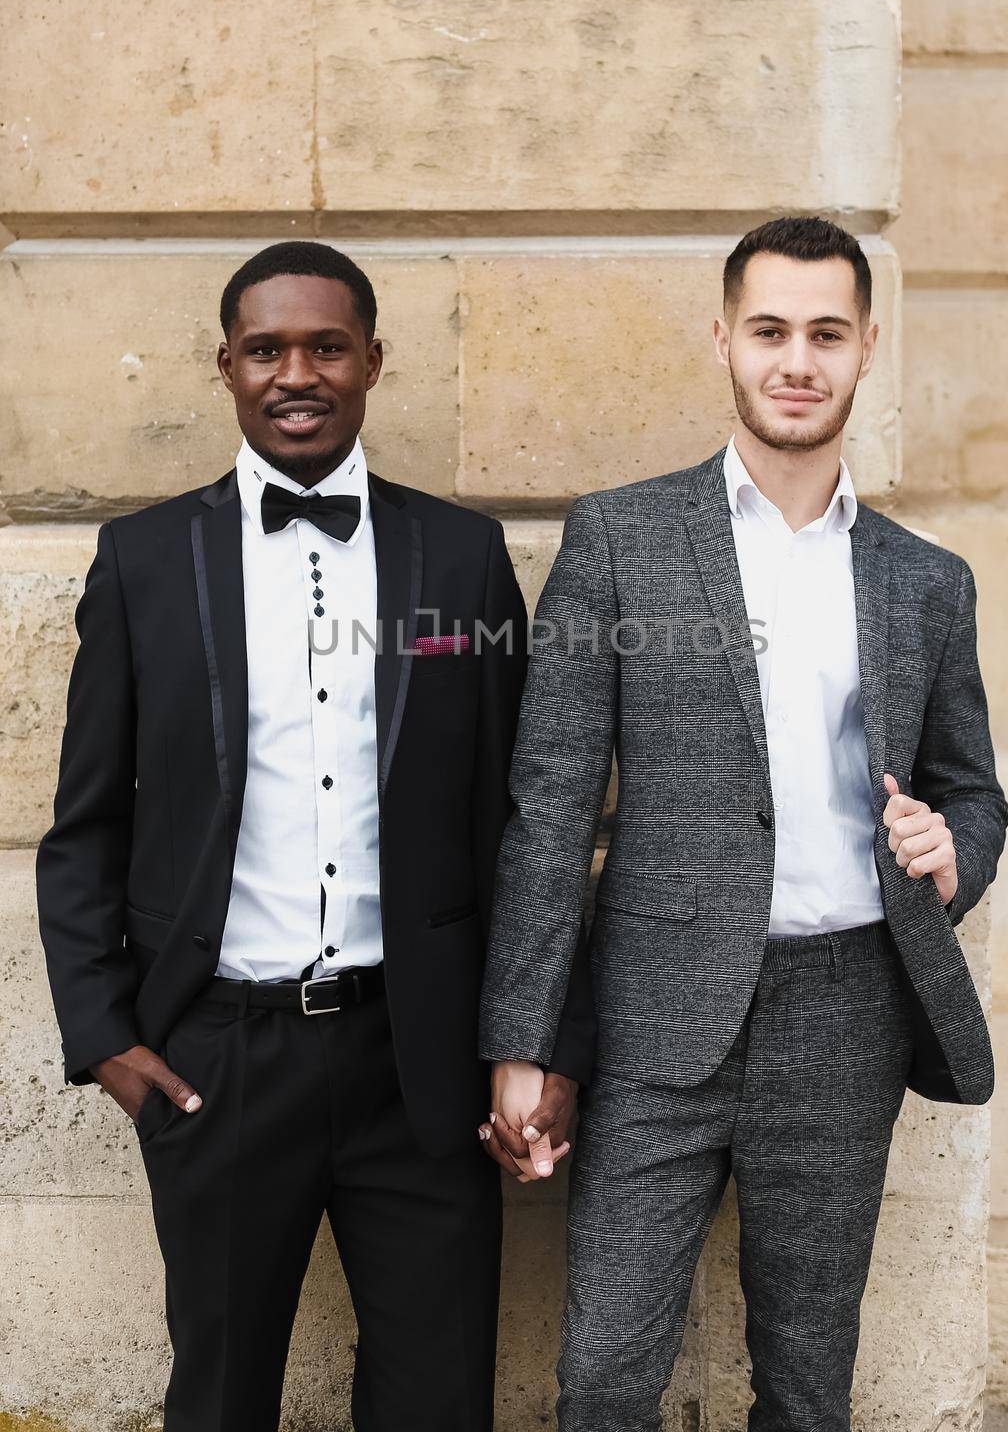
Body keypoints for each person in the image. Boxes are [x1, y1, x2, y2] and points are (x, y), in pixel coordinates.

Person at [36, 239, 593, 1432]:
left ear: (373, 362)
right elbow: (85, 824)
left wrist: (542, 1041)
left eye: (327, 345)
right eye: (267, 348)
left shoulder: (460, 554)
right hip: (219, 1062)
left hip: (422, 1059)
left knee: (439, 1400)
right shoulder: (142, 560)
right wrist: (106, 1037)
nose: (299, 371)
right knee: (222, 1396)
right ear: (225, 367)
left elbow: (521, 821)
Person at [477, 216, 1008, 1431]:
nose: (795, 360)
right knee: (603, 1377)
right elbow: (549, 806)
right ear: (723, 338)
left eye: (825, 333)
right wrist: (523, 1040)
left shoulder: (925, 580)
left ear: (865, 348)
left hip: (847, 1012)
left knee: (807, 1386)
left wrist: (951, 852)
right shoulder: (618, 537)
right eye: (769, 329)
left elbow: (970, 789)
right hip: (653, 1012)